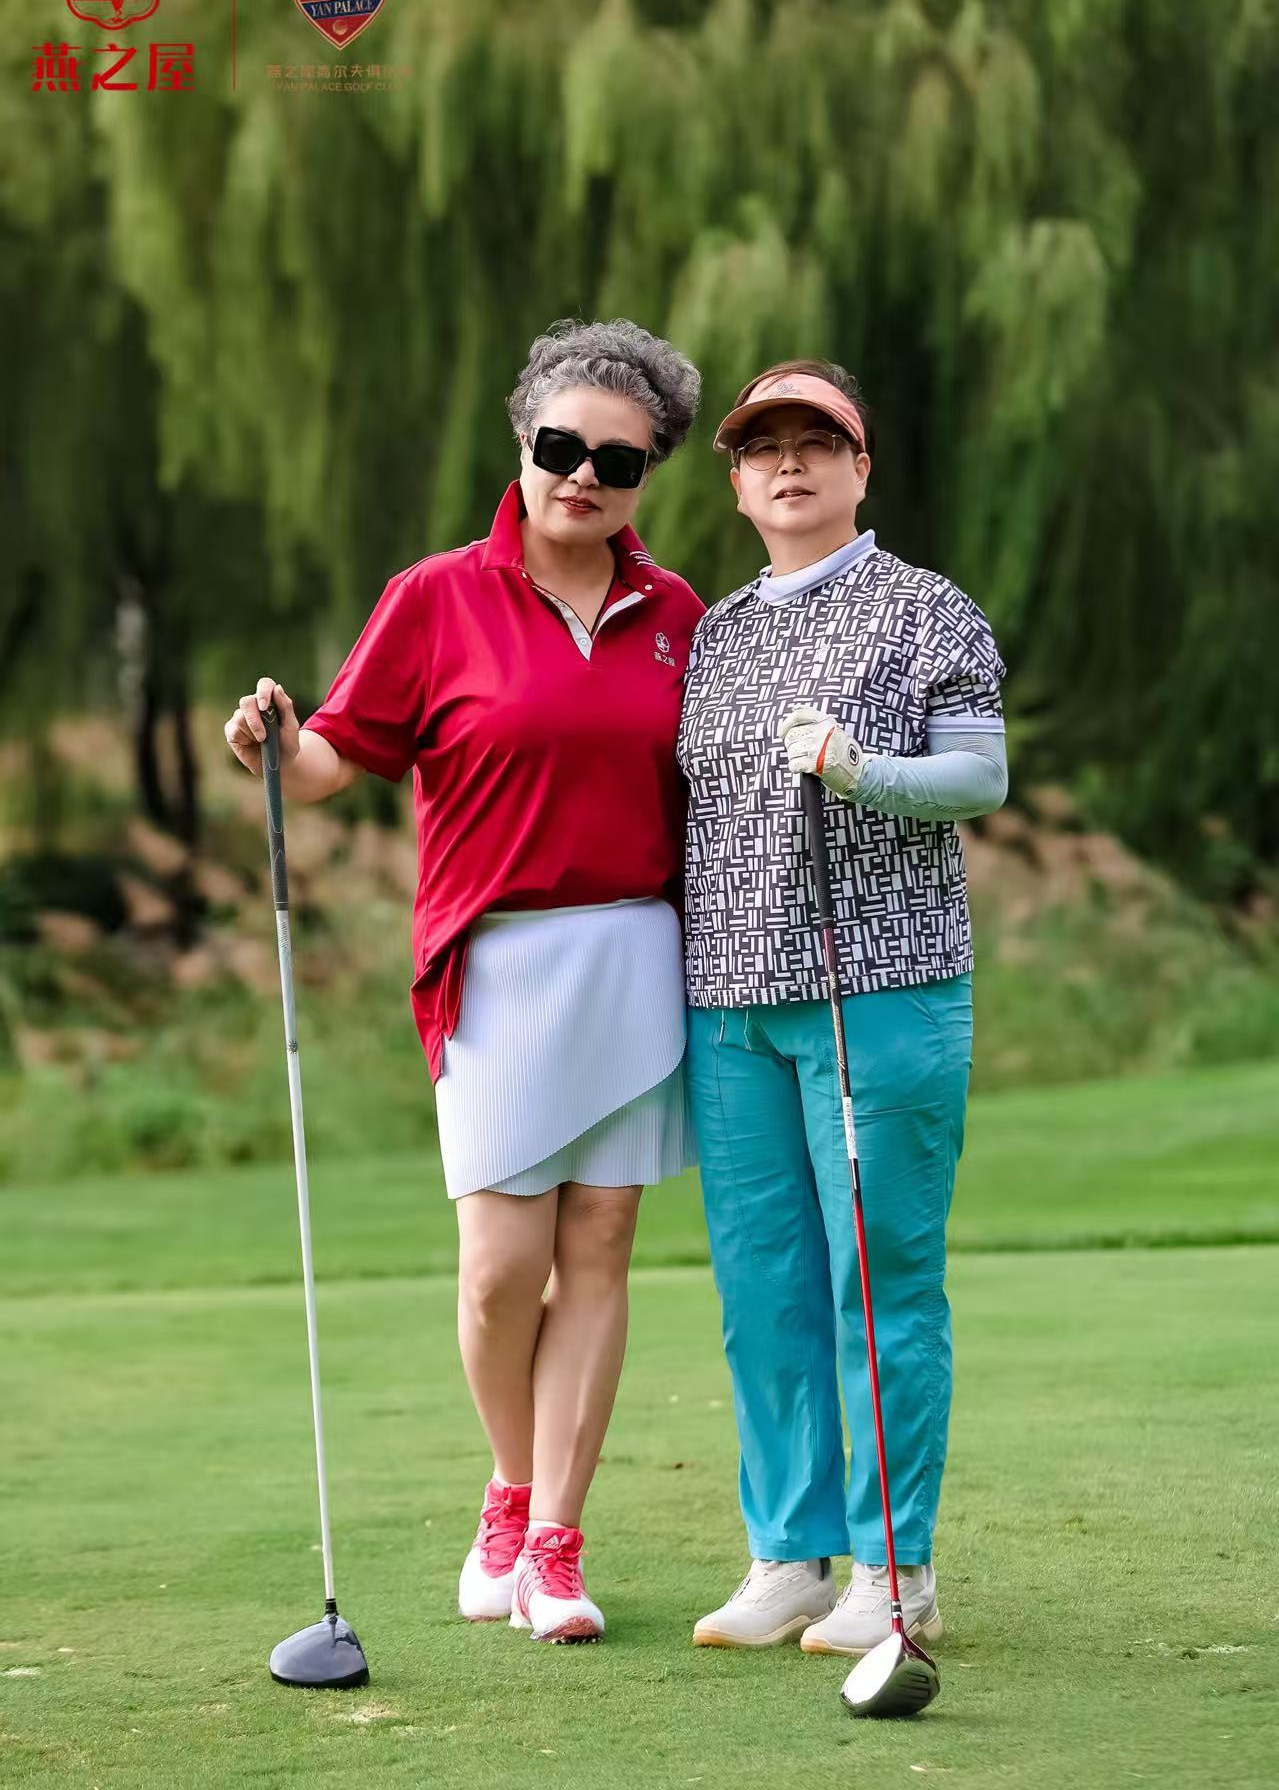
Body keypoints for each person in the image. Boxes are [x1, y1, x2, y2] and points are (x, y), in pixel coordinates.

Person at [225, 318, 704, 1645]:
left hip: (635, 954)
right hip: (494, 964)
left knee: (599, 1247)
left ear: (647, 473)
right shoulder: (437, 596)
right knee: (501, 1269)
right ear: (523, 442)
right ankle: (509, 1486)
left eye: (618, 459)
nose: (583, 476)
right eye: (560, 447)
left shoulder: (677, 616)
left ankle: (554, 1543)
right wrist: (274, 744)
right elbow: (337, 756)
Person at [677, 359, 1008, 1656]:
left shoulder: (926, 610)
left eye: (816, 442)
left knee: (878, 1282)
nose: (789, 463)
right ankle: (789, 1555)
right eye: (763, 447)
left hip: (880, 989)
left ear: (860, 467)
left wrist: (863, 769)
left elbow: (977, 777)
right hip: (730, 1004)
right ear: (736, 481)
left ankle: (892, 1569)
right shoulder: (716, 632)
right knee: (763, 1288)